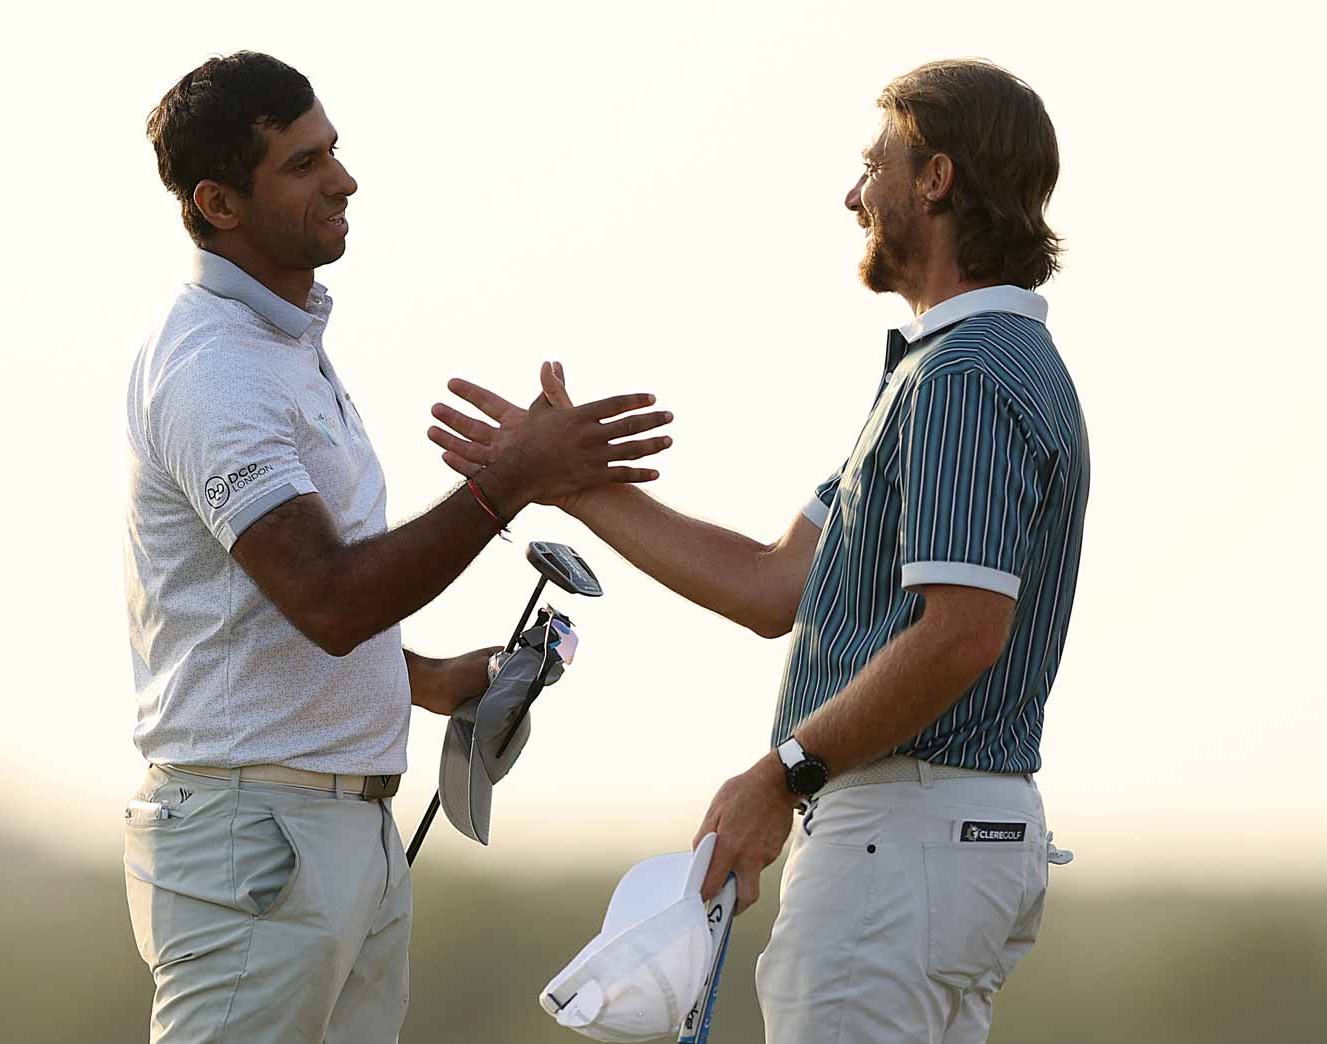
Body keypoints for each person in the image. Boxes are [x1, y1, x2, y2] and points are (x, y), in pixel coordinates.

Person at [431, 59, 1086, 1044]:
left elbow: (962, 634)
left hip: (899, 840)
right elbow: (773, 584)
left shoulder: (963, 375)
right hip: (938, 844)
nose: (854, 195)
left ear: (935, 180)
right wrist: (567, 483)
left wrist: (780, 777)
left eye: (874, 166)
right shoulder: (955, 369)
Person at [121, 51, 672, 1044]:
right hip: (258, 840)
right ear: (219, 203)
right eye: (302, 164)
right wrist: (509, 480)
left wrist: (424, 679)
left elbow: (272, 614)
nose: (343, 179)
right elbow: (328, 599)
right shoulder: (214, 369)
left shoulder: (279, 347)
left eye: (332, 150)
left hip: (329, 833)